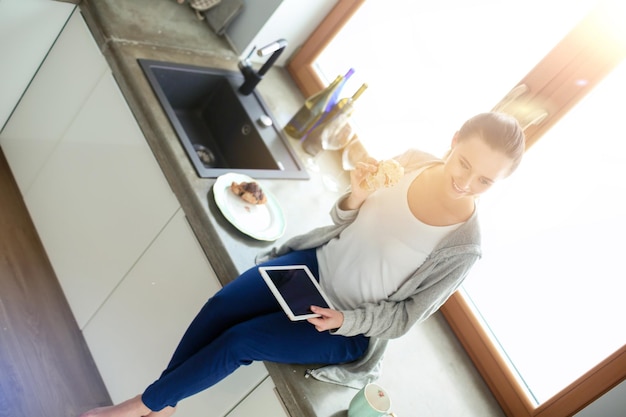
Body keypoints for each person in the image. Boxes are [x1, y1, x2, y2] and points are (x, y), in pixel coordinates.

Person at [80, 112, 525, 417]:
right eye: (464, 163)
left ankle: (141, 405)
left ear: (500, 183)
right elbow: (343, 219)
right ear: (453, 143)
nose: (467, 182)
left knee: (240, 342)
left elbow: (406, 317)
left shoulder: (464, 247)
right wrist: (357, 193)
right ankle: (166, 401)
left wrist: (345, 319)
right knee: (220, 308)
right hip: (312, 268)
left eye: (485, 180)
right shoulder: (409, 162)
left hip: (343, 327)